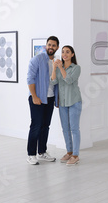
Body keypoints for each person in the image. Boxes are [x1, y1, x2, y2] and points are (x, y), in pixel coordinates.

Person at [26, 36, 60, 165]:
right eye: (49, 45)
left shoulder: (56, 62)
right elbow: (30, 79)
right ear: (46, 46)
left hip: (50, 98)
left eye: (54, 45)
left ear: (57, 47)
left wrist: (57, 99)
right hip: (37, 98)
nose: (51, 47)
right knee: (36, 126)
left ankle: (42, 152)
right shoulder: (37, 59)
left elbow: (56, 82)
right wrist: (34, 96)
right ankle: (31, 154)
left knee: (45, 126)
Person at [51, 45, 83, 165]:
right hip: (63, 103)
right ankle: (69, 152)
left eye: (67, 52)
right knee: (65, 129)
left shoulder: (76, 68)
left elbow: (69, 80)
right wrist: (55, 68)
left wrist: (61, 67)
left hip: (74, 101)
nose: (64, 54)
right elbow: (53, 81)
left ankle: (75, 155)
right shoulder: (59, 68)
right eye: (63, 52)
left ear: (72, 55)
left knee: (74, 129)